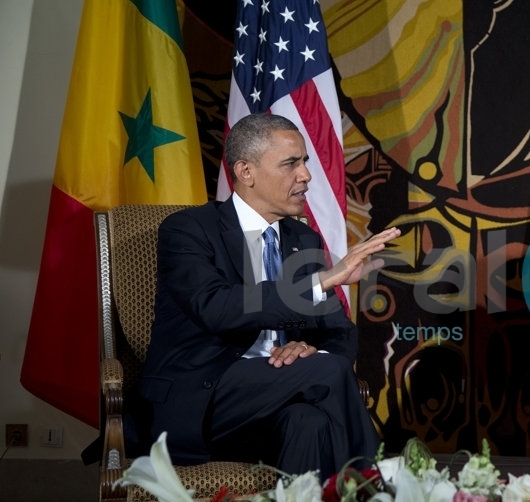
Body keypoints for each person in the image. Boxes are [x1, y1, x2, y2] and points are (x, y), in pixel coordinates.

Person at [139, 113, 400, 477]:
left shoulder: (300, 238)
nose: (306, 175)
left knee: (307, 421)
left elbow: (338, 331)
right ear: (246, 172)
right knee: (325, 371)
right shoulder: (189, 230)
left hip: (274, 399)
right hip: (203, 397)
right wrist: (322, 281)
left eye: (305, 162)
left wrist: (310, 349)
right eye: (291, 164)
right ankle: (380, 493)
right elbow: (217, 308)